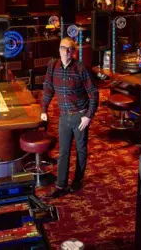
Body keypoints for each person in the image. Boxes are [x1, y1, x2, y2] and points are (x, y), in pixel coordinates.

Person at [41, 37, 99, 198]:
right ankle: (61, 185)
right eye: (62, 48)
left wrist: (88, 116)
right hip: (64, 117)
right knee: (63, 151)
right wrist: (44, 108)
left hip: (80, 116)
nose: (65, 51)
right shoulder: (53, 65)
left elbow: (93, 93)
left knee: (81, 150)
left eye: (69, 49)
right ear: (59, 50)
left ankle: (78, 180)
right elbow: (48, 88)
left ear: (73, 52)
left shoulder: (80, 68)